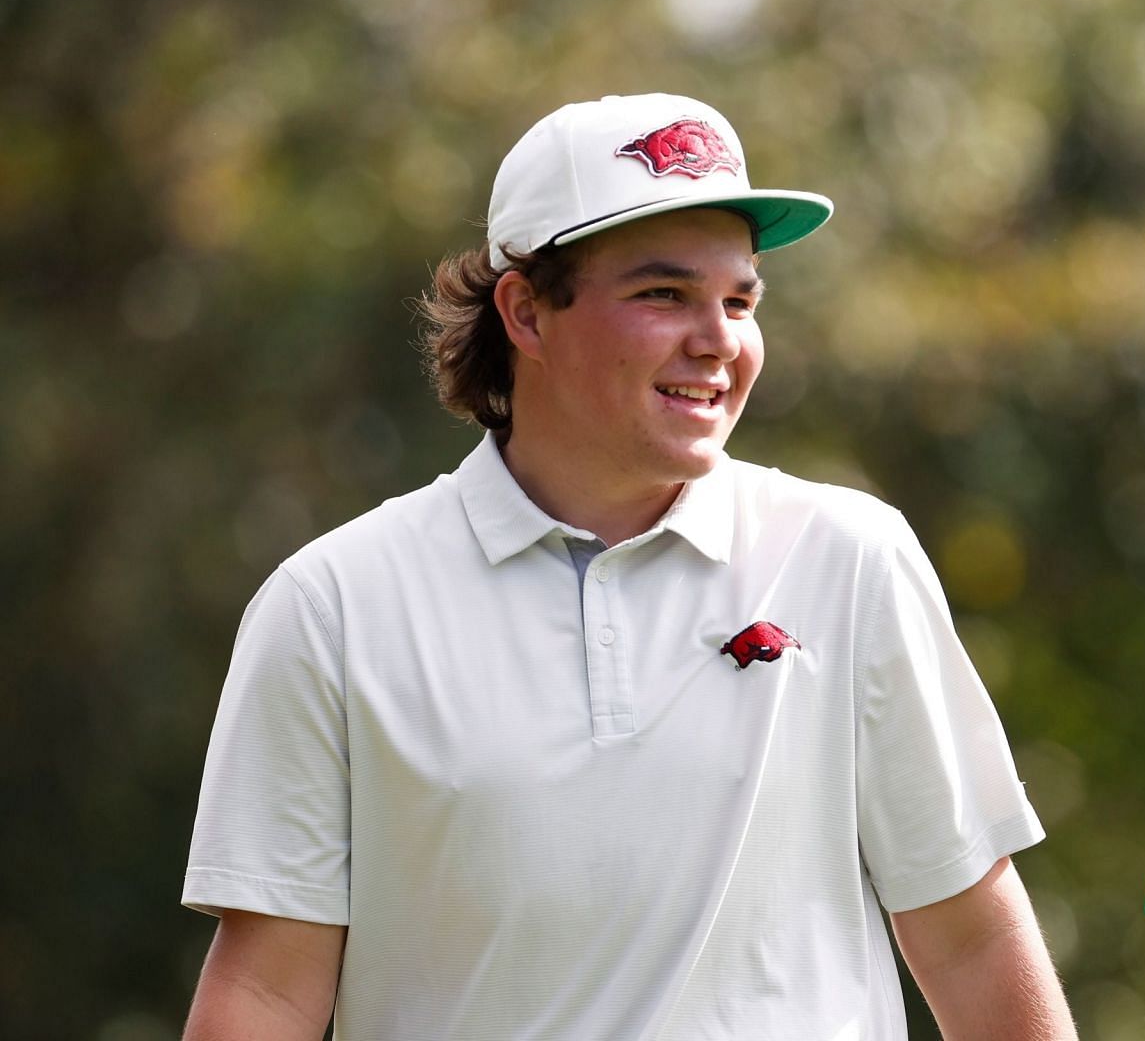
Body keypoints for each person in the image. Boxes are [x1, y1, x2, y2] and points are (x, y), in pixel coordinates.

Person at [182, 93, 1076, 1040]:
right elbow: (270, 992)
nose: (720, 341)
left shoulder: (851, 560)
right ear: (526, 313)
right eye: (665, 296)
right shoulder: (333, 607)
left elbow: (972, 938)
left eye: (740, 300)